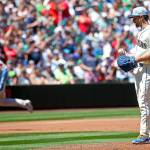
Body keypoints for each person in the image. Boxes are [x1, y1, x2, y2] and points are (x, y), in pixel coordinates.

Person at [118, 6, 150, 144]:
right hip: (140, 70)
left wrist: (135, 59)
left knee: (144, 103)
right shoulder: (141, 32)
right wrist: (128, 55)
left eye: (135, 18)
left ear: (142, 17)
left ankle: (144, 134)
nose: (133, 20)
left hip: (147, 70)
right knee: (144, 103)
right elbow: (140, 53)